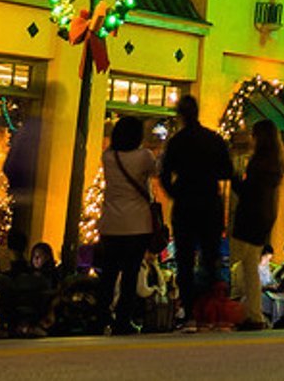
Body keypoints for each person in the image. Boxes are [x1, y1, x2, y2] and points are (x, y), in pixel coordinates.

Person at [158, 94, 233, 330]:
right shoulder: (213, 139)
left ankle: (190, 312)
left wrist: (176, 192)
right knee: (211, 259)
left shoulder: (177, 142)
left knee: (185, 260)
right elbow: (227, 170)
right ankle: (211, 313)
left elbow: (164, 174)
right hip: (210, 202)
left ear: (181, 115)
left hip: (186, 205)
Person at [96, 114, 162, 335]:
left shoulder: (108, 156)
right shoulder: (144, 156)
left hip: (111, 224)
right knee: (130, 274)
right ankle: (123, 321)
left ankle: (100, 317)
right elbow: (157, 171)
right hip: (137, 225)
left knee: (108, 274)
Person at [228, 118, 284, 330]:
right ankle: (253, 312)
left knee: (248, 267)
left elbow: (246, 191)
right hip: (264, 218)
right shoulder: (275, 164)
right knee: (250, 265)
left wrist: (233, 176)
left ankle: (254, 314)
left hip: (250, 217)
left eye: (253, 135)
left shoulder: (259, 163)